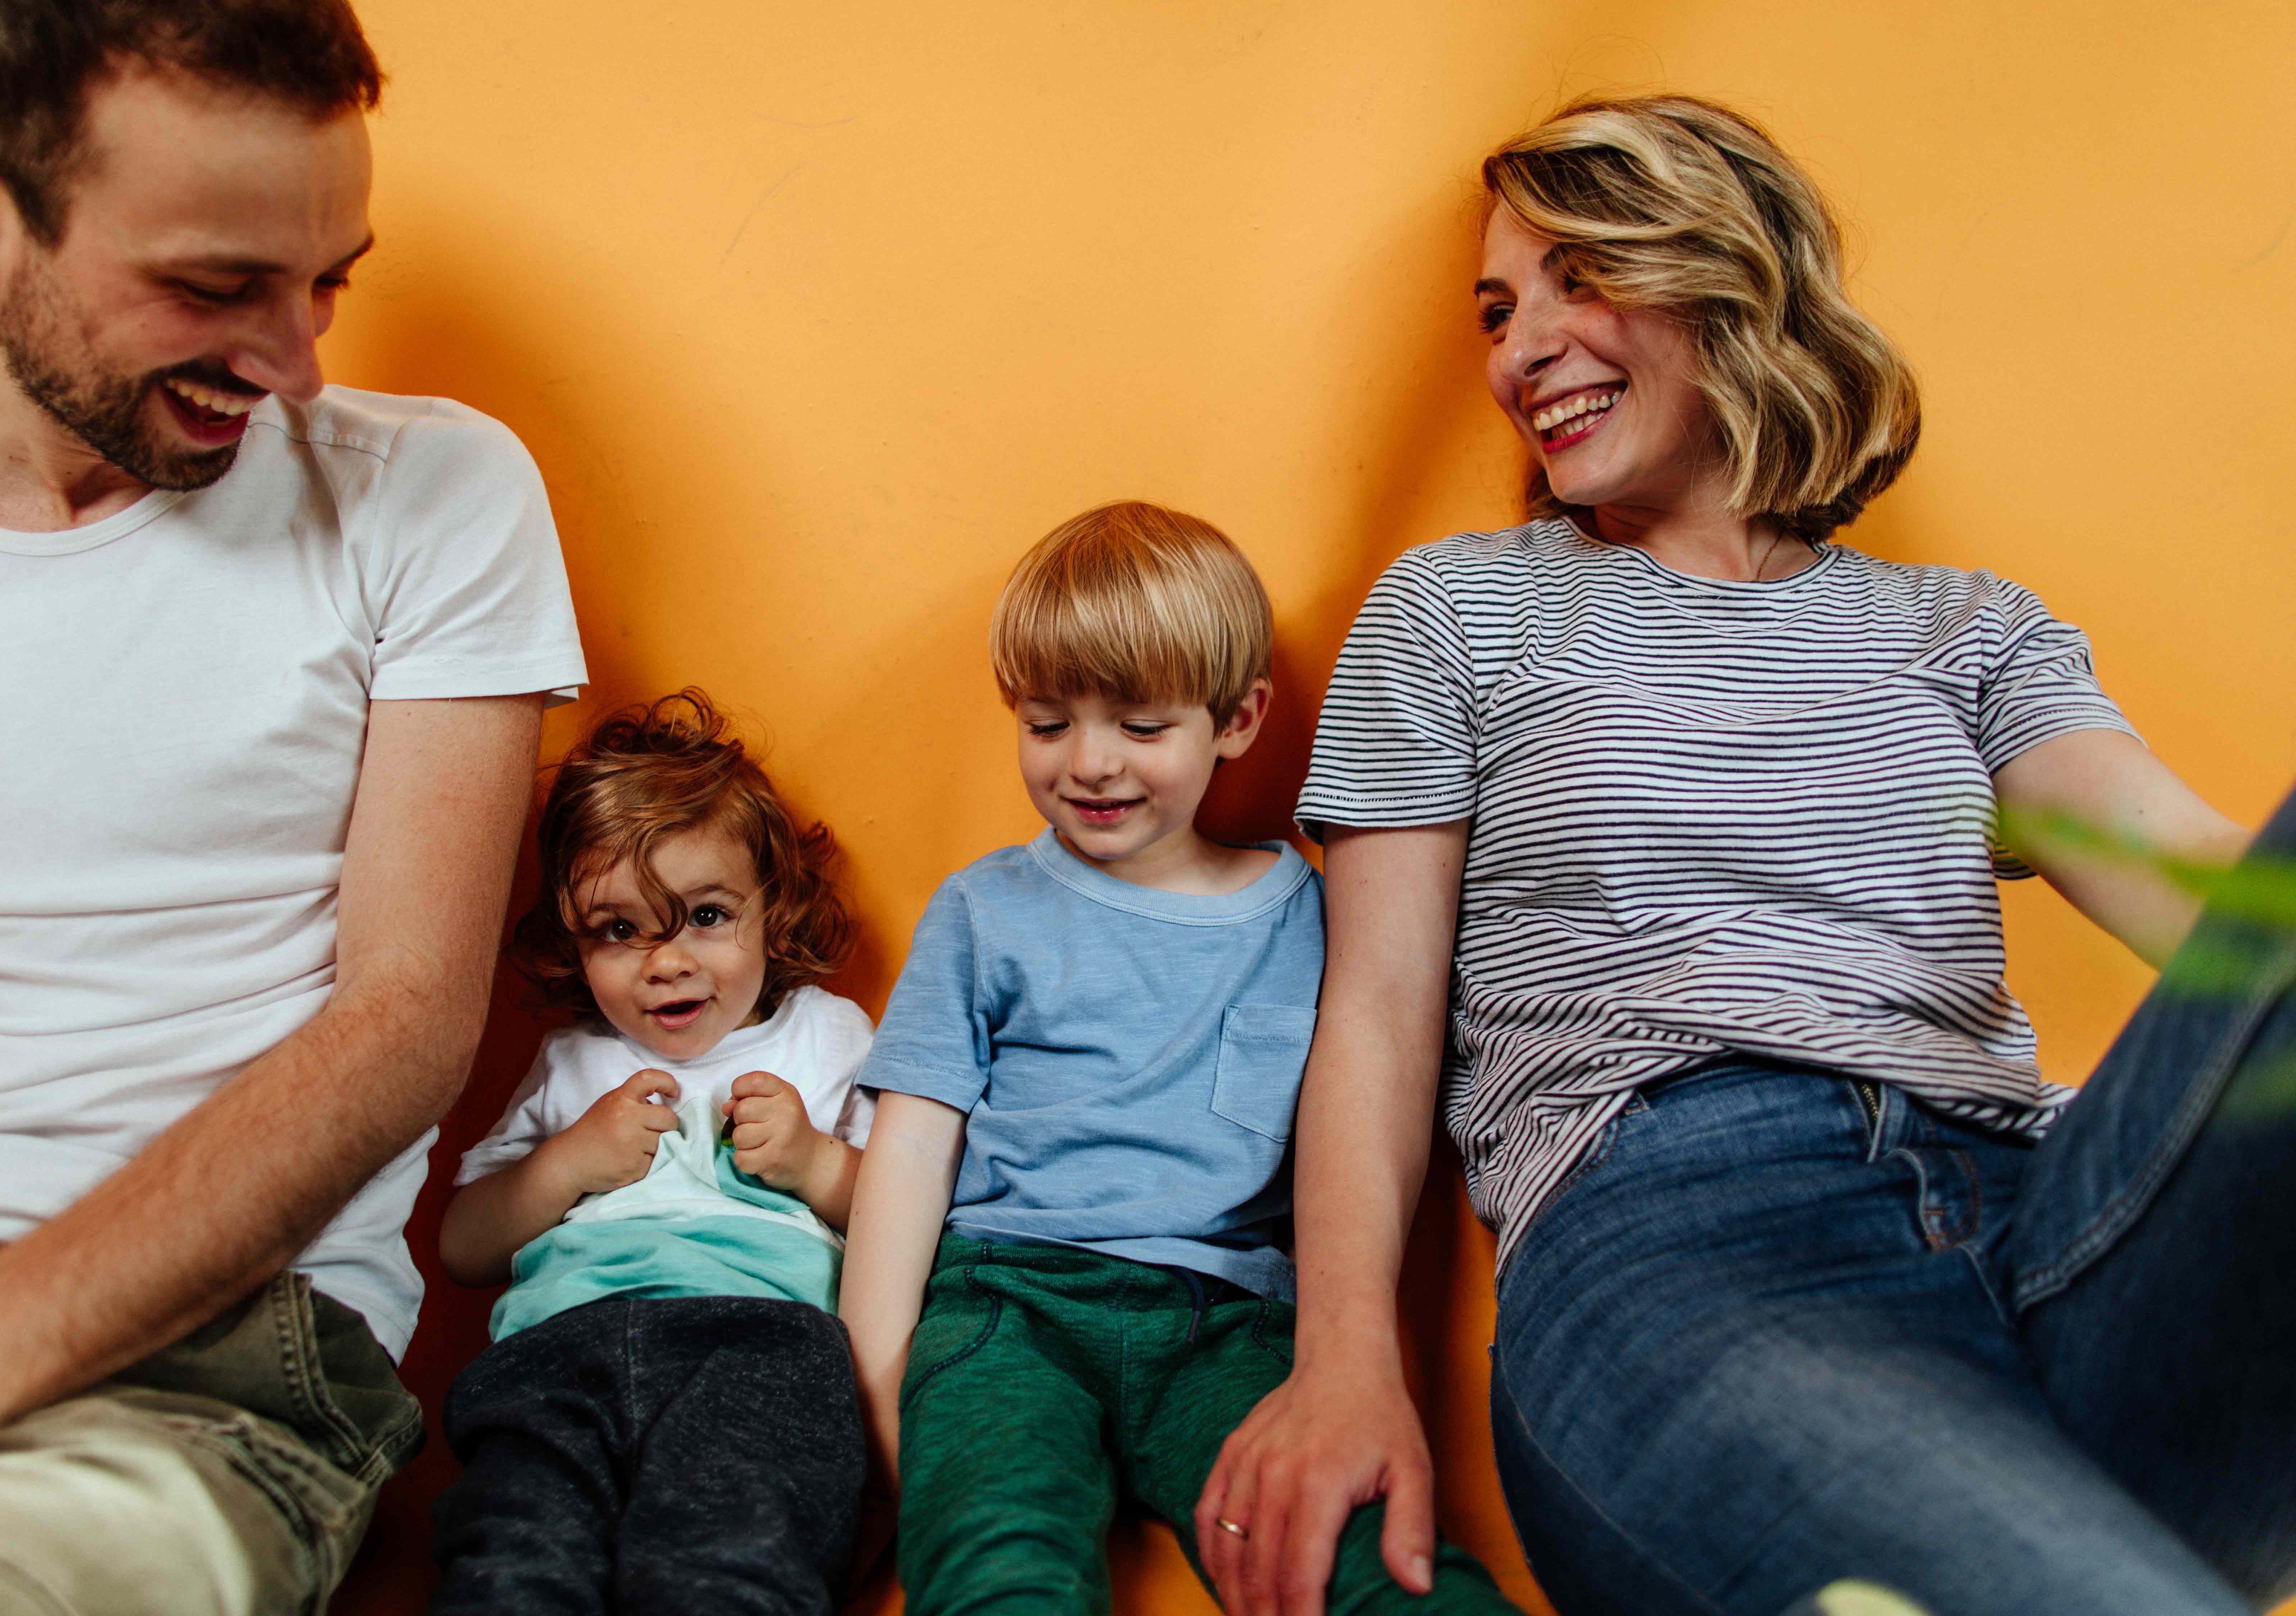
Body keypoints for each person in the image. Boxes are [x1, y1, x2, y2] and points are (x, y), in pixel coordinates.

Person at [1194, 93, 2294, 1616]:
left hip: (2058, 1218)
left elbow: (2216, 903)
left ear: (1728, 275)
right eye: (1500, 311)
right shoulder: (1462, 609)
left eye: (1581, 276)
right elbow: (1377, 1011)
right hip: (1688, 1239)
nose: (1519, 350)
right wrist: (1343, 1367)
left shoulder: (1966, 631)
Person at [0, 1, 585, 1608]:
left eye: (328, 279)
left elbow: (407, 1020)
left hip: (209, 1367)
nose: (292, 363)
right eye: (213, 284)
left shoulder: (430, 496)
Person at [838, 501, 1518, 1615]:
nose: (1089, 764)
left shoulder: (1312, 910)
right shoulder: (981, 909)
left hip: (1228, 1324)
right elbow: (911, 1147)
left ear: (1238, 720)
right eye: (1048, 724)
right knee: (993, 1554)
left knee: (1359, 1557)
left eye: (1141, 727)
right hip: (1008, 1305)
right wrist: (876, 1384)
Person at [430, 691, 872, 1616]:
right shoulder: (572, 1058)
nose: (665, 961)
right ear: (574, 940)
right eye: (620, 930)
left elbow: (913, 1217)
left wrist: (817, 1166)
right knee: (512, 1558)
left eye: (706, 916)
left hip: (760, 1343)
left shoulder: (827, 1037)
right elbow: (464, 1246)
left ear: (774, 908)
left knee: (730, 1555)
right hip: (560, 1343)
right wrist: (568, 1164)